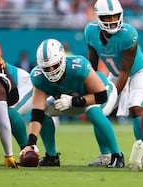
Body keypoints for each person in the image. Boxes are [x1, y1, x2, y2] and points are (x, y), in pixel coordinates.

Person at [20, 39, 124, 168]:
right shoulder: (38, 76)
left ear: (63, 59)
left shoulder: (78, 66)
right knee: (44, 112)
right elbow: (37, 113)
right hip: (71, 100)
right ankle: (52, 157)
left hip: (103, 92)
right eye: (46, 68)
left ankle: (117, 156)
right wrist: (31, 142)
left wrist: (73, 101)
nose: (51, 70)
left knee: (93, 111)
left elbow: (101, 96)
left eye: (55, 65)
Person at [85, 0, 143, 143]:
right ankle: (105, 155)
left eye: (115, 16)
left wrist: (110, 95)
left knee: (136, 107)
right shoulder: (91, 32)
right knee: (98, 111)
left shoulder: (129, 34)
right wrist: (93, 90)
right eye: (107, 18)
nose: (112, 21)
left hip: (138, 73)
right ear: (98, 18)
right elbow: (92, 66)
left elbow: (125, 72)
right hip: (115, 74)